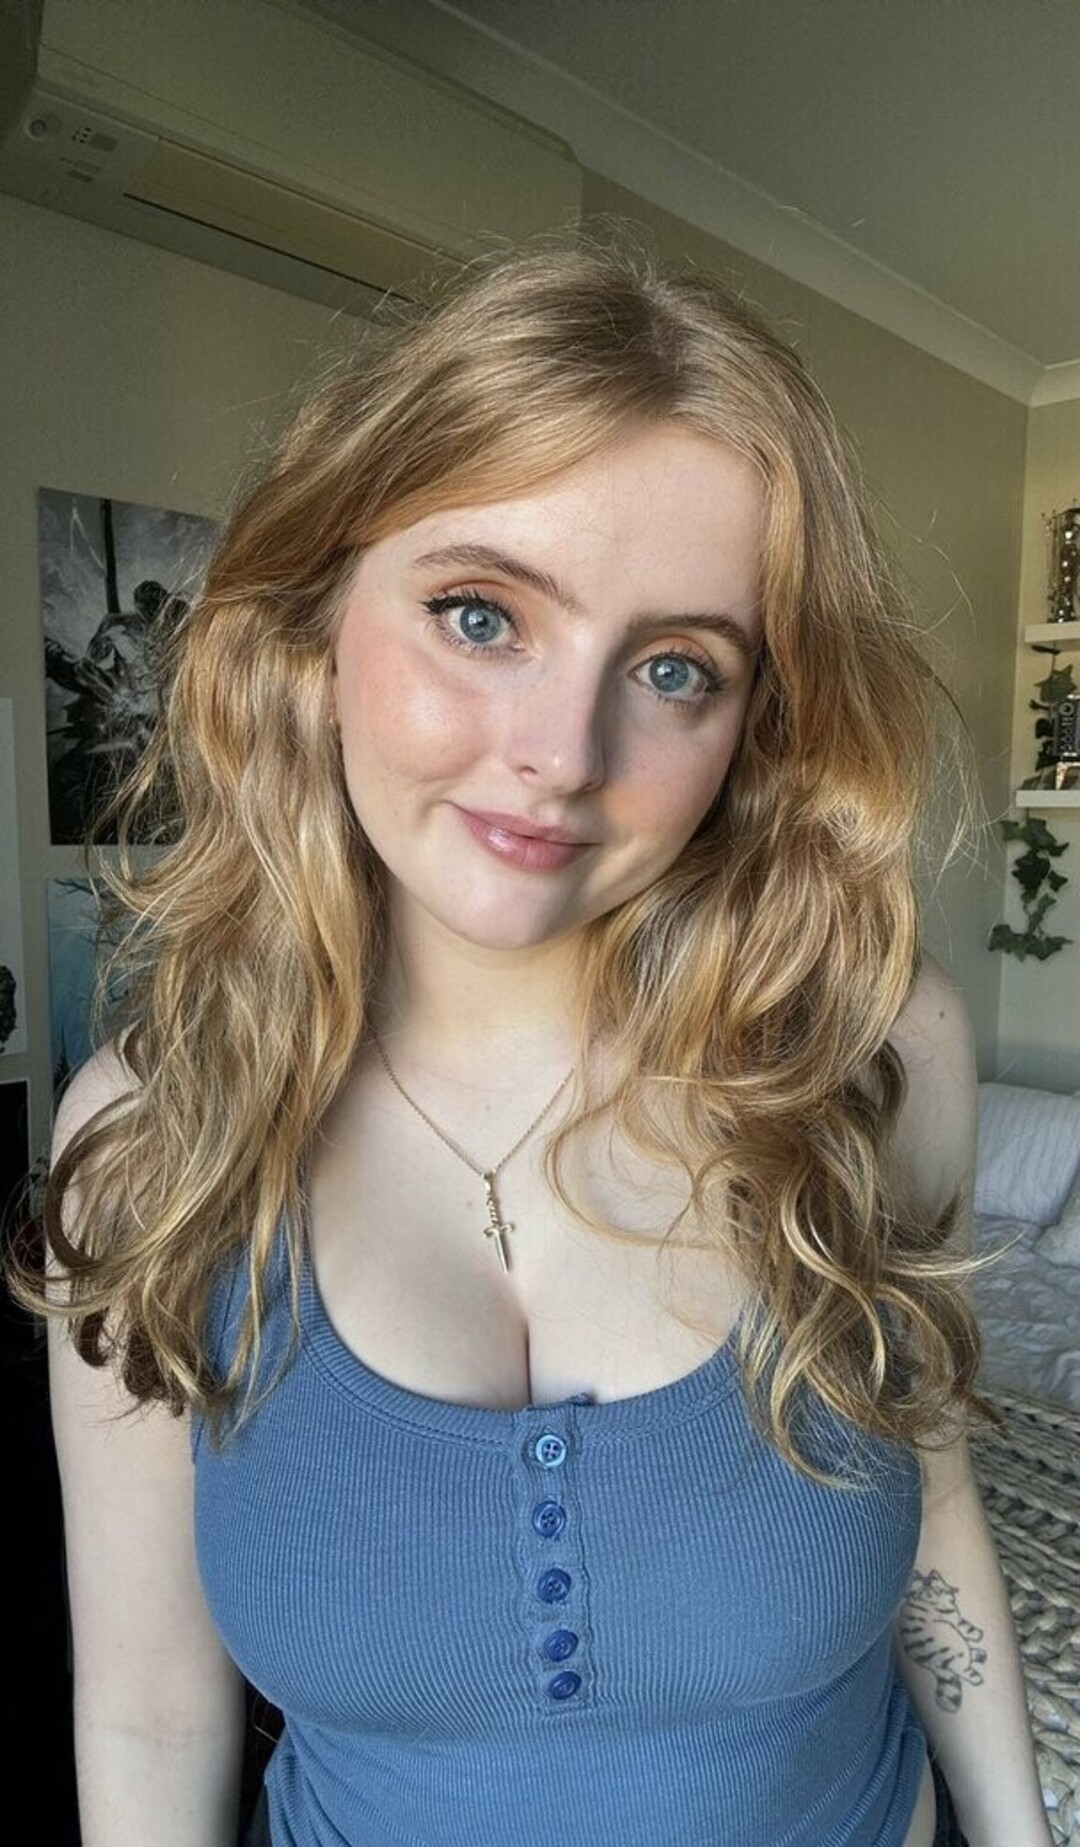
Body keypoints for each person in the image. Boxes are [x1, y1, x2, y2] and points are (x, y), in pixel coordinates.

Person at [25, 236, 1054, 1847]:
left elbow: (924, 1505)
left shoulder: (869, 1055)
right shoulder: (152, 1139)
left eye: (675, 668)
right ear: (316, 620)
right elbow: (151, 1710)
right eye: (480, 615)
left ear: (755, 726)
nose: (565, 754)